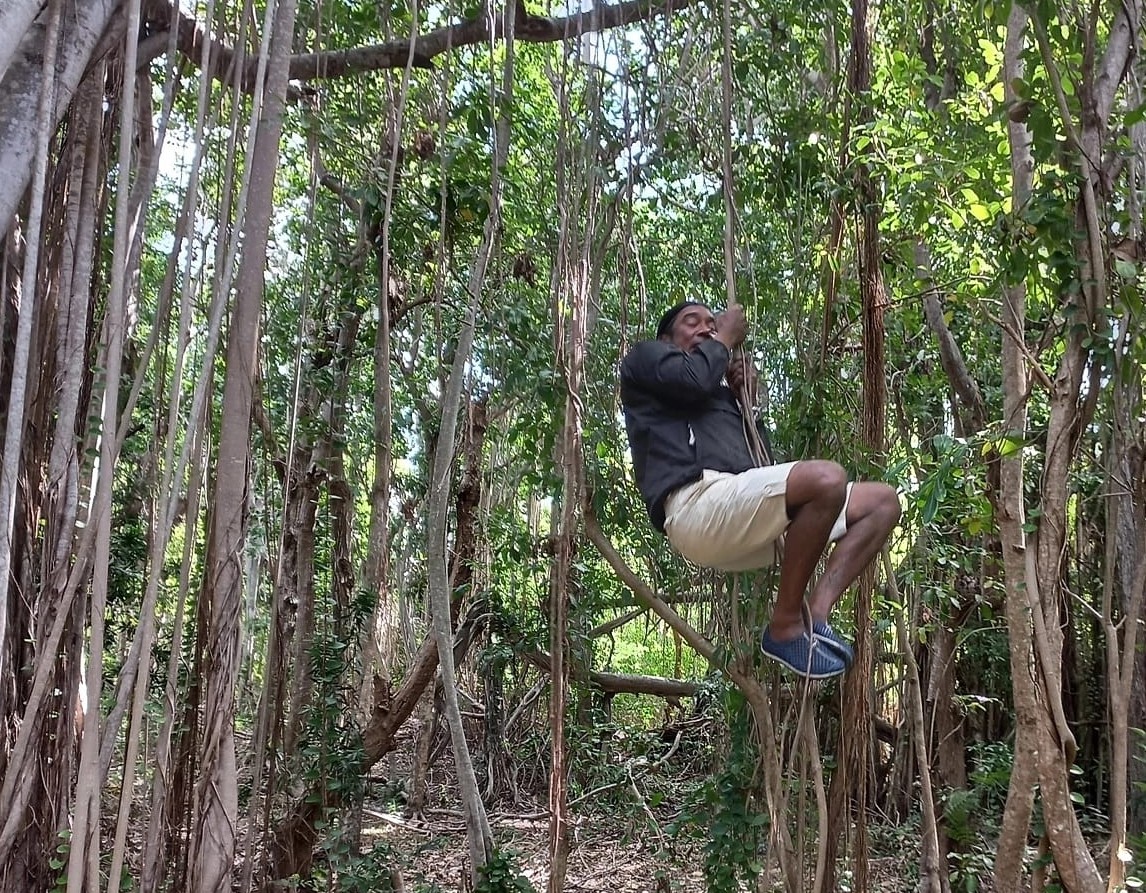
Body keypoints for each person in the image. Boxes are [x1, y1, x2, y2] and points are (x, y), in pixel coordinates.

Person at [619, 300, 901, 679]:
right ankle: (784, 626)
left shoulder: (719, 397)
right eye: (693, 322)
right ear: (667, 337)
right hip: (696, 508)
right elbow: (691, 379)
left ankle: (813, 619)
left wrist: (748, 403)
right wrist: (724, 337)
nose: (706, 327)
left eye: (711, 322)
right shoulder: (647, 357)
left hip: (741, 516)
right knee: (827, 479)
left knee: (882, 503)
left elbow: (763, 468)